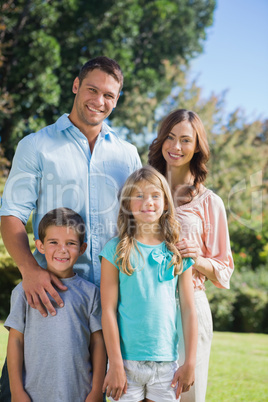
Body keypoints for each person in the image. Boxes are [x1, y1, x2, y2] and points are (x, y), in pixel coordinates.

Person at [0, 56, 141, 400]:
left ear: (117, 99)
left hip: (114, 301)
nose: (99, 100)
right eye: (92, 89)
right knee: (28, 390)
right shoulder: (37, 145)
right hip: (54, 298)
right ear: (76, 86)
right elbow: (10, 216)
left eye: (109, 95)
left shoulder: (128, 155)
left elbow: (140, 223)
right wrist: (30, 272)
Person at [148, 109, 234, 402]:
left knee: (187, 394)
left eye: (186, 140)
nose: (176, 146)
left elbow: (224, 269)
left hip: (190, 308)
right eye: (170, 137)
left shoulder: (211, 202)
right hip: (145, 303)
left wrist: (197, 259)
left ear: (197, 146)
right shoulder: (143, 190)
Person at [99, 166, 198, 402]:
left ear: (165, 203)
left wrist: (190, 362)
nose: (148, 202)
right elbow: (108, 311)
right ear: (127, 204)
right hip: (125, 363)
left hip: (166, 365)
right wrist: (114, 364)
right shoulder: (115, 250)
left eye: (155, 195)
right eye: (139, 196)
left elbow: (188, 309)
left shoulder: (178, 251)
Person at [4, 207, 106, 402]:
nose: (62, 249)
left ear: (82, 248)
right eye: (53, 242)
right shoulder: (23, 292)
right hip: (34, 395)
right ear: (40, 246)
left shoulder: (91, 293)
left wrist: (96, 391)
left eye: (70, 243)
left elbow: (98, 344)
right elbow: (15, 342)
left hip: (80, 394)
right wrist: (17, 392)